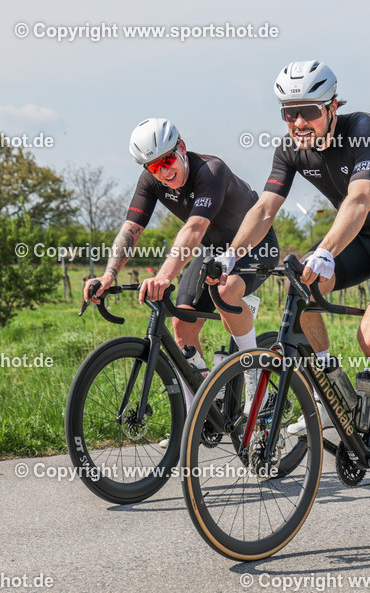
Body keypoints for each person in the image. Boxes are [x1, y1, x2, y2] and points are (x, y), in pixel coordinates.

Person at [210, 61, 370, 483]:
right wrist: (231, 255)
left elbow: (359, 199)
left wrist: (327, 251)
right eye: (288, 113)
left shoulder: (365, 129)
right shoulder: (290, 150)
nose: (298, 122)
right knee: (302, 294)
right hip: (358, 240)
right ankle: (329, 394)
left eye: (309, 111)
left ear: (333, 106)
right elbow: (263, 208)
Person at [83, 118, 279, 406]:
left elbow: (195, 229)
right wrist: (109, 275)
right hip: (213, 251)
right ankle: (197, 414)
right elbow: (131, 229)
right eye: (153, 167)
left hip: (255, 246)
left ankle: (255, 382)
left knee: (226, 292)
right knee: (182, 323)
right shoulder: (151, 182)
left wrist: (164, 276)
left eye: (168, 160)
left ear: (182, 148)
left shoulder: (211, 171)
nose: (163, 171)